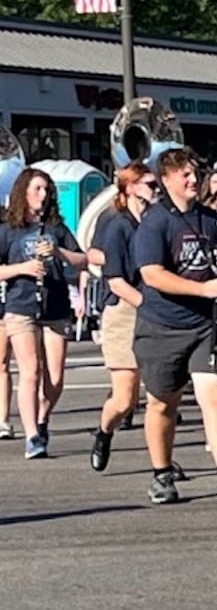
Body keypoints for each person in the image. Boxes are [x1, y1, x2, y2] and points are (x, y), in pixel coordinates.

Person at [131, 148, 217, 506]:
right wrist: (202, 288)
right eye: (185, 175)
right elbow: (151, 274)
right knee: (163, 403)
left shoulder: (210, 220)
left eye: (195, 173)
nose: (193, 180)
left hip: (204, 324)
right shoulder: (155, 221)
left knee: (215, 391)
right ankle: (161, 473)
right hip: (161, 325)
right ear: (167, 180)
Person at [0, 166, 88, 458]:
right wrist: (22, 268)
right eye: (37, 189)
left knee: (55, 376)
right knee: (30, 371)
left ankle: (42, 417)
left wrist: (59, 253)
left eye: (46, 190)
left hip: (55, 305)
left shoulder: (56, 228)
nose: (43, 194)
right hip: (20, 305)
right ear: (23, 192)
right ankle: (32, 435)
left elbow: (83, 260)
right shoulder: (9, 229)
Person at [87, 163, 157, 471]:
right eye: (149, 185)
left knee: (161, 395)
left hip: (154, 307)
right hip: (124, 310)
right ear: (130, 188)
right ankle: (104, 433)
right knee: (125, 398)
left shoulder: (155, 222)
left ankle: (163, 461)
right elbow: (116, 280)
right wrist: (148, 305)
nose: (155, 190)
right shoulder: (117, 224)